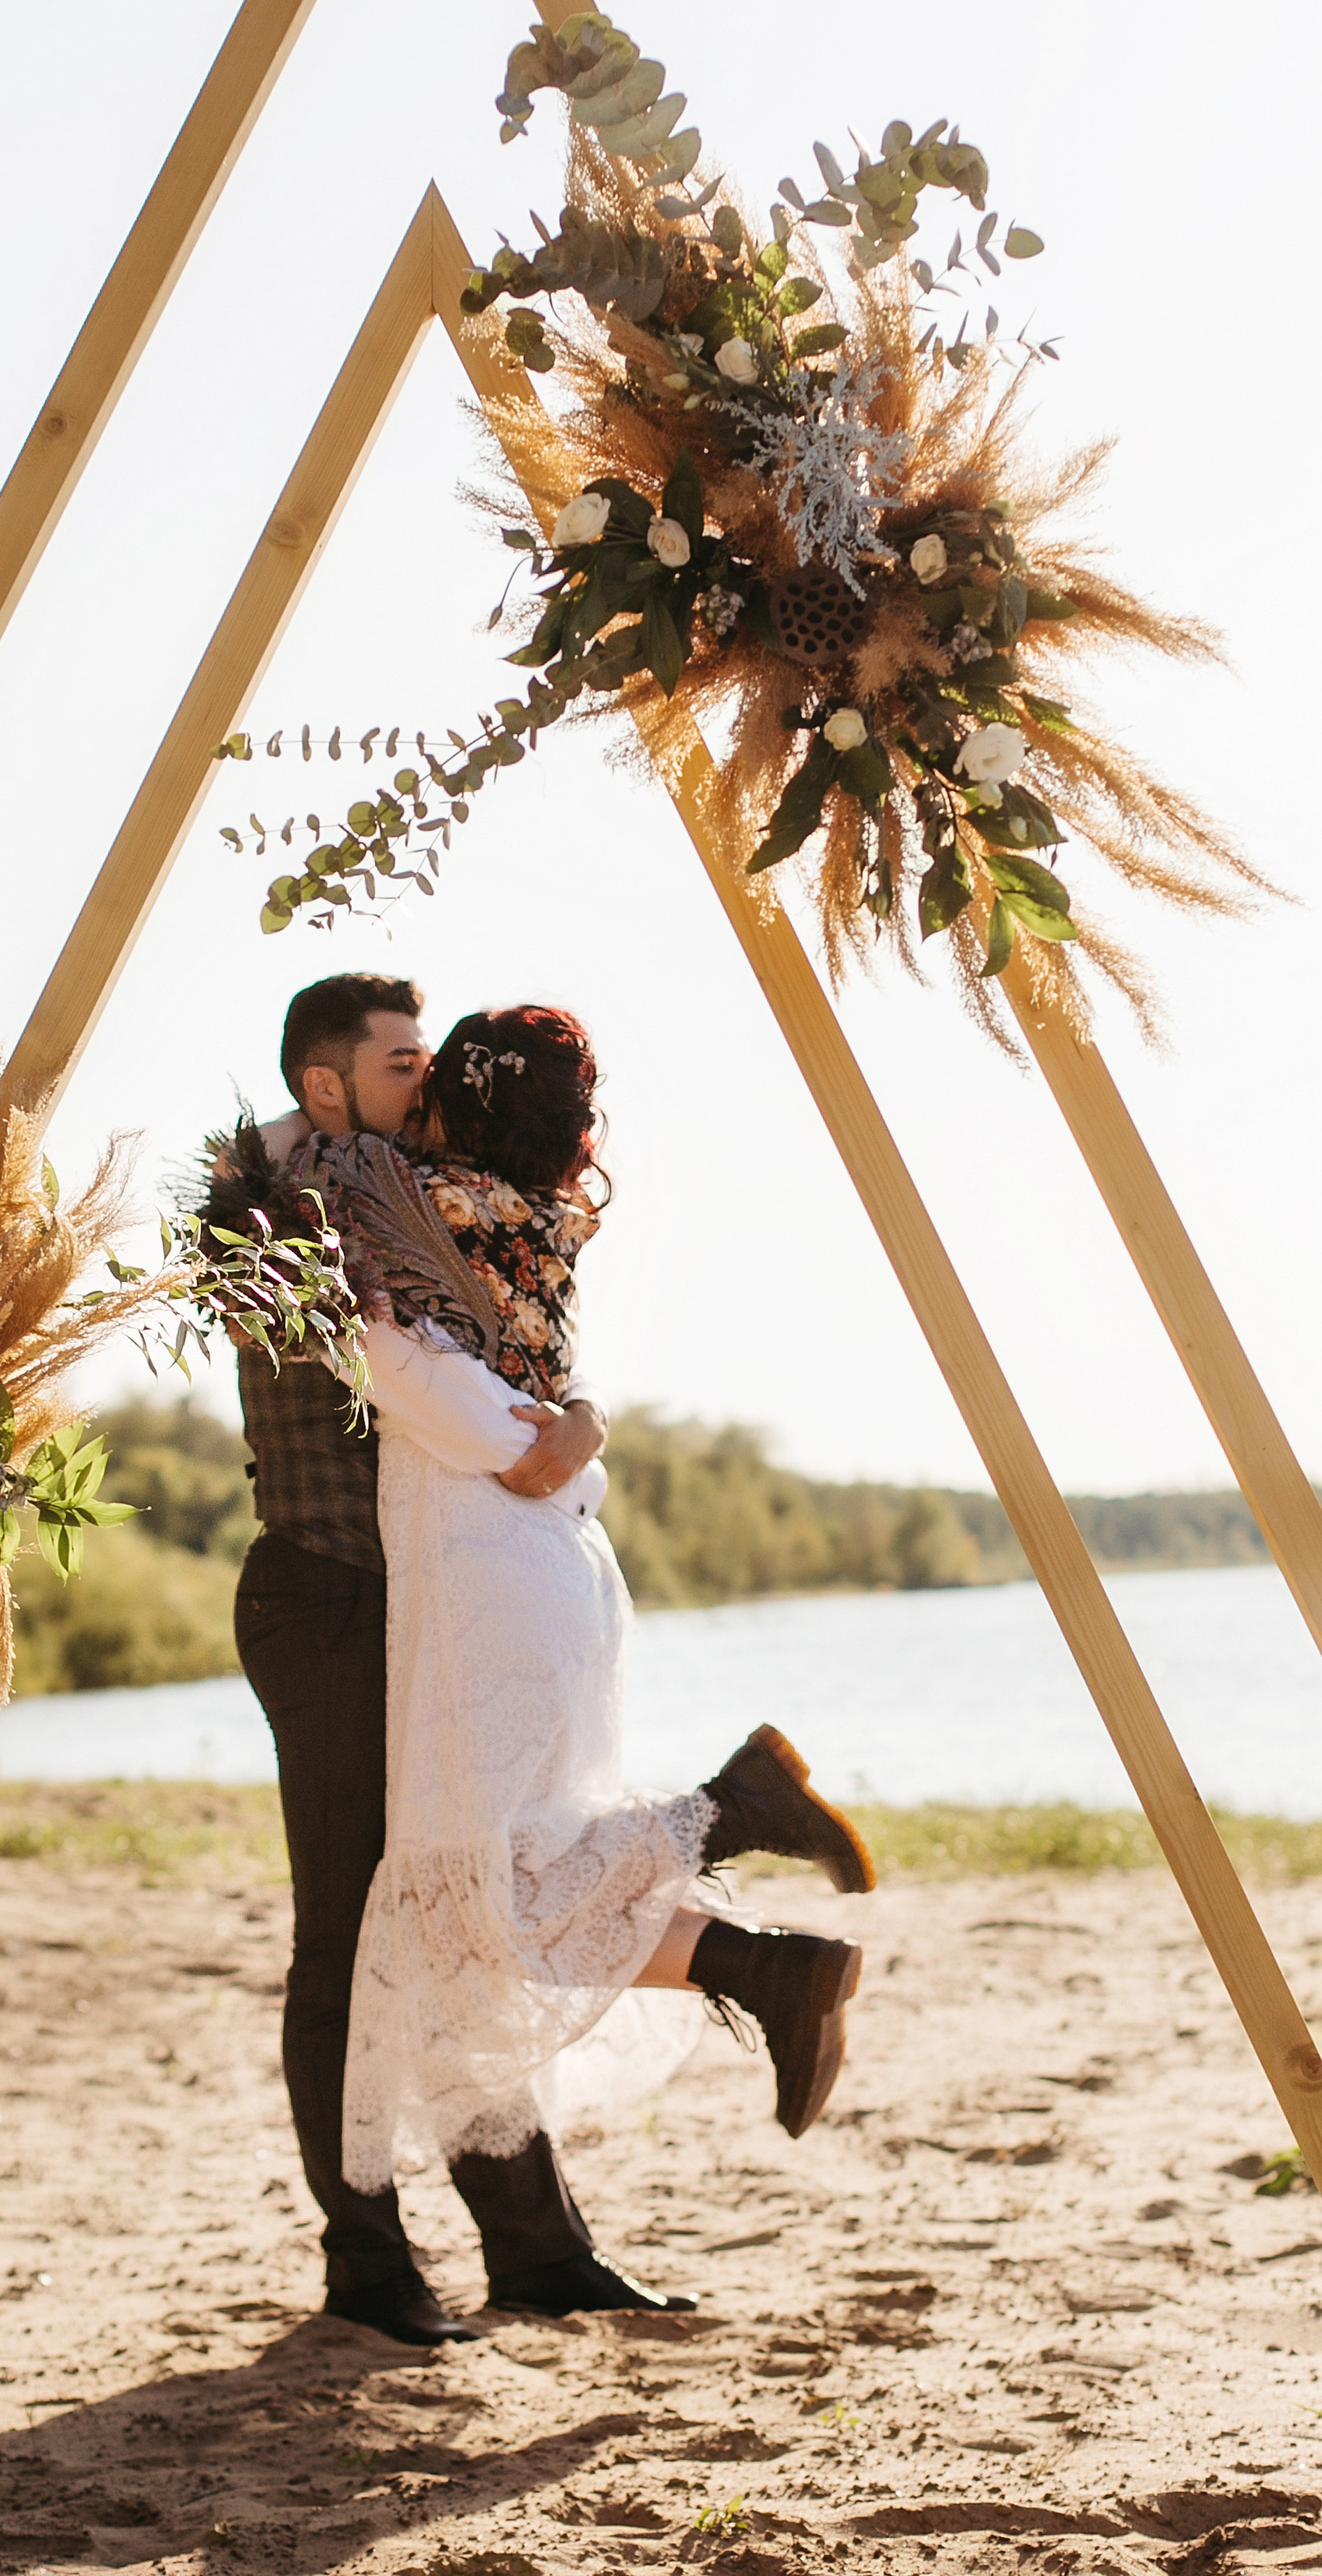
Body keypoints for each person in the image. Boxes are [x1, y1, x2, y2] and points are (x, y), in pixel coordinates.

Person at [226, 977, 872, 2348]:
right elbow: (410, 1372)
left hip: (445, 1594)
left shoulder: (413, 1190)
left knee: (460, 1916)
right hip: (337, 1602)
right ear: (327, 1084)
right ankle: (368, 2262)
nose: (430, 1083)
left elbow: (515, 1360)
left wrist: (576, 1413)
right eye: (403, 1062)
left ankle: (533, 2248)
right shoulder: (280, 1204)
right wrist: (560, 1430)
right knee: (355, 1941)